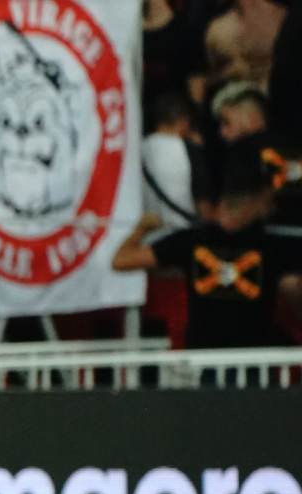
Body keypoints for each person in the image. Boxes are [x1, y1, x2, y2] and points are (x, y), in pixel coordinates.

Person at [113, 140, 302, 353]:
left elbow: (122, 260)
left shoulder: (194, 240)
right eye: (270, 201)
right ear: (260, 197)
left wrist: (141, 229)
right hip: (222, 362)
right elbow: (121, 262)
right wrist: (142, 229)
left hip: (240, 362)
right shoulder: (273, 244)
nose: (272, 208)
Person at [142, 90, 206, 239]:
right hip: (183, 237)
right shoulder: (190, 150)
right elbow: (204, 206)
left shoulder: (136, 150)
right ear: (185, 121)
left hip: (144, 239)